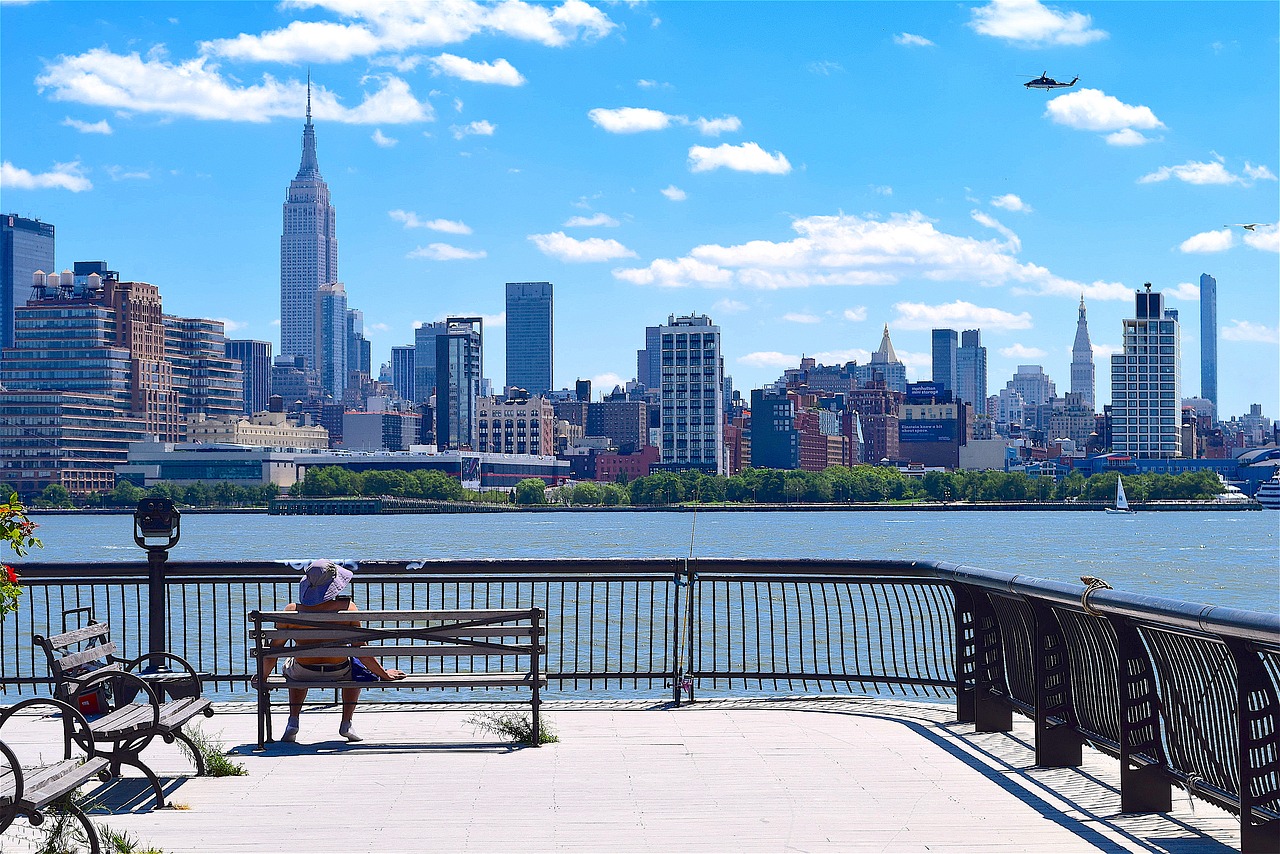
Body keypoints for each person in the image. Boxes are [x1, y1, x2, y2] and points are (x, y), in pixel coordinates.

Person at [275, 560, 405, 743]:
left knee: (292, 666)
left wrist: (262, 676)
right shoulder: (348, 609)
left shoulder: (291, 611)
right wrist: (384, 674)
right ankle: (346, 723)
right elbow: (362, 651)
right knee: (356, 666)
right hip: (338, 670)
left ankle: (293, 721)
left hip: (304, 671)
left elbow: (273, 650)